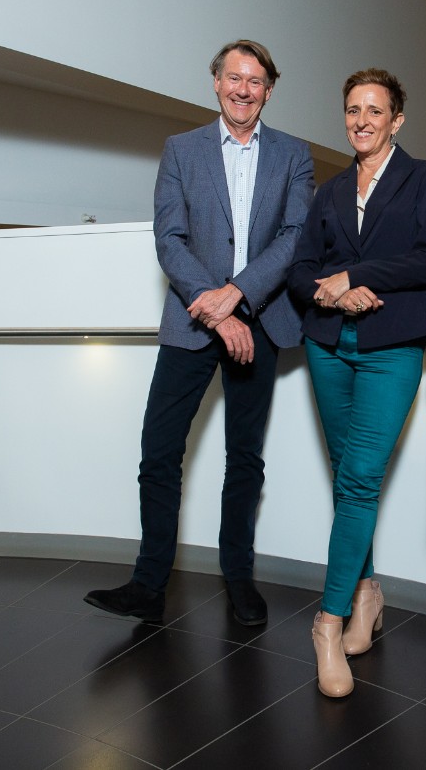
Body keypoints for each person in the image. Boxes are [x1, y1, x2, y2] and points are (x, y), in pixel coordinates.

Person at [86, 40, 315, 626]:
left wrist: (237, 296)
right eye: (234, 77)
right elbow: (169, 238)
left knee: (245, 458)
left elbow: (293, 238)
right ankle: (148, 582)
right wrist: (214, 311)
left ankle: (239, 580)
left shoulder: (294, 155)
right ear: (215, 82)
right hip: (193, 323)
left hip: (260, 321)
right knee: (158, 452)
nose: (244, 89)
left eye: (256, 80)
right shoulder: (181, 151)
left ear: (269, 90)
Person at [288, 68, 426, 697]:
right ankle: (367, 594)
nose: (361, 120)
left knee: (358, 481)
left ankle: (326, 625)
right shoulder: (328, 193)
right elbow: (302, 270)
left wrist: (353, 276)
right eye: (352, 109)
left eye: (374, 110)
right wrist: (331, 293)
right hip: (328, 347)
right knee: (345, 474)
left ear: (396, 120)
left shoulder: (423, 177)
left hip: (392, 348)